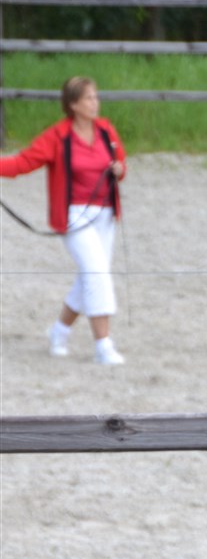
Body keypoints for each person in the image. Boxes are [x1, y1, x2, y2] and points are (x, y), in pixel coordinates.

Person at [0, 76, 127, 365]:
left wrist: (120, 169)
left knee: (89, 277)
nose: (96, 103)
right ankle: (103, 346)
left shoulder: (106, 130)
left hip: (105, 214)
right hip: (73, 216)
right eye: (89, 98)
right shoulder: (57, 136)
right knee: (97, 274)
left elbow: (121, 162)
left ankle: (58, 331)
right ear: (73, 105)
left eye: (96, 97)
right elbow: (22, 163)